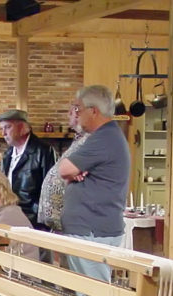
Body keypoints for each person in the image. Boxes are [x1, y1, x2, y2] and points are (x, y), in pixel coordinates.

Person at [58, 85, 131, 283]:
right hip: (90, 228)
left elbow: (64, 168)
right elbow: (68, 171)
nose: (77, 114)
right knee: (85, 293)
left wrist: (73, 172)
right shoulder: (104, 136)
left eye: (78, 109)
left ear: (94, 111)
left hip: (92, 230)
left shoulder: (105, 138)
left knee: (93, 295)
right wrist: (74, 172)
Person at [0, 109, 56, 228]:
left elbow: (51, 190)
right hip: (11, 216)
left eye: (7, 127)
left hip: (33, 220)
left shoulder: (43, 151)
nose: (3, 133)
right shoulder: (8, 154)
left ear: (23, 128)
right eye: (1, 128)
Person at [38, 100, 90, 233]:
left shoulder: (90, 141)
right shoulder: (79, 140)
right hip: (61, 224)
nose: (68, 115)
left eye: (71, 111)